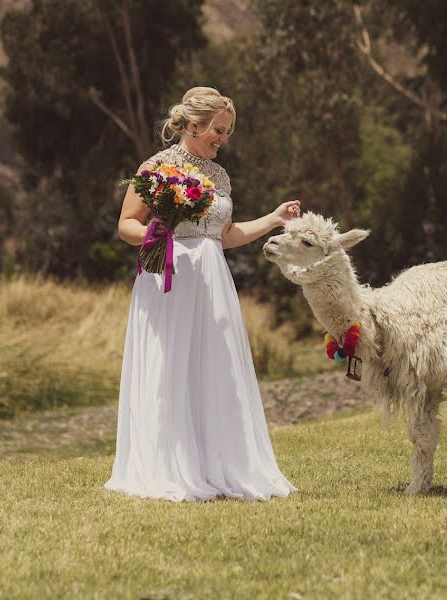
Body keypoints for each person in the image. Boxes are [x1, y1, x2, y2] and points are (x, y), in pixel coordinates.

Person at [105, 87, 300, 502]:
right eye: (218, 130)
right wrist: (156, 237)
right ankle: (171, 464)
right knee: (171, 366)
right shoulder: (157, 167)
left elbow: (224, 235)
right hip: (169, 278)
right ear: (193, 125)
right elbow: (126, 224)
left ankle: (219, 463)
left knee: (218, 366)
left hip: (213, 279)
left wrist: (273, 219)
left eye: (227, 133)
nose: (222, 139)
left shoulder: (221, 176)